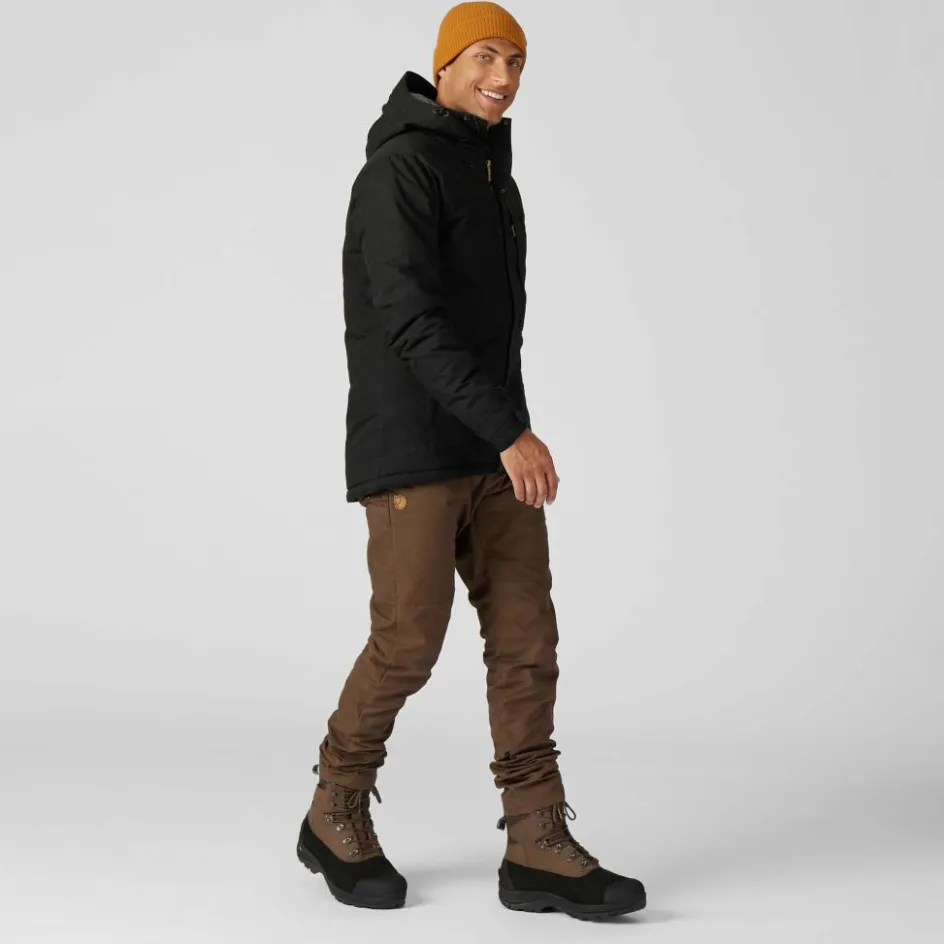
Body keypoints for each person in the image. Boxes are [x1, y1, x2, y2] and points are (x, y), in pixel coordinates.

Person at [295, 1, 646, 921]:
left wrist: (505, 430)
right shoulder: (400, 170)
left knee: (527, 641)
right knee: (409, 640)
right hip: (414, 446)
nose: (504, 76)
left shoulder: (491, 173)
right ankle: (334, 806)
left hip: (491, 445)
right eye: (486, 56)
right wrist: (510, 431)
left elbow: (495, 335)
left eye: (518, 61)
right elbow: (411, 321)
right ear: (445, 64)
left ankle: (535, 840)